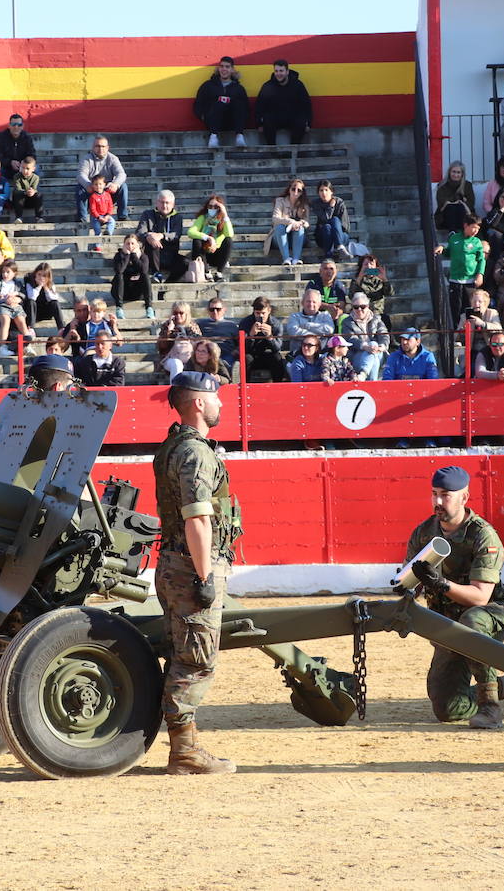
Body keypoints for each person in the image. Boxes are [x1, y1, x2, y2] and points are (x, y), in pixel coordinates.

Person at [153, 371, 239, 775]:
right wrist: (205, 577)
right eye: (216, 397)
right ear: (198, 403)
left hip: (173, 562)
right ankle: (184, 753)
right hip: (191, 566)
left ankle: (183, 748)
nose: (222, 403)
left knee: (183, 654)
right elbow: (199, 519)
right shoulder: (195, 452)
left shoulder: (172, 447)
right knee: (196, 660)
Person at [406, 466, 504, 729]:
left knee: (472, 621)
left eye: (446, 495)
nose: (438, 502)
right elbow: (409, 583)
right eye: (434, 494)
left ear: (464, 497)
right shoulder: (423, 533)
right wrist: (408, 586)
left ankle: (490, 708)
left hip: (491, 614)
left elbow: (479, 597)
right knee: (448, 709)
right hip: (448, 626)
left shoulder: (482, 535)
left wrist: (440, 584)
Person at [194, 57, 249, 148]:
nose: (224, 69)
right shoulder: (208, 85)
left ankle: (239, 136)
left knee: (237, 103)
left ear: (232, 70)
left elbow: (246, 107)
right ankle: (213, 137)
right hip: (212, 122)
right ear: (218, 68)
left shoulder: (238, 88)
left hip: (233, 123)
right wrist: (203, 116)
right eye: (222, 66)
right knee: (219, 103)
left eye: (227, 67)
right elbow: (198, 103)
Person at [255, 59, 311, 145]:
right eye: (276, 71)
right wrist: (259, 124)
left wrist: (308, 123)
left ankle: (294, 152)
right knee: (267, 120)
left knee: (300, 121)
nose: (278, 74)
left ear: (287, 72)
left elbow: (306, 104)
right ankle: (272, 152)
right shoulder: (267, 86)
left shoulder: (298, 85)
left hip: (292, 117)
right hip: (275, 118)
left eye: (281, 71)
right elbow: (259, 105)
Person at [137, 189, 186, 281]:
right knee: (154, 241)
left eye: (167, 203)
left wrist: (162, 235)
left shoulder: (177, 217)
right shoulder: (147, 214)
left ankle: (168, 284)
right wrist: (148, 236)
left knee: (185, 263)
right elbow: (139, 232)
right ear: (157, 202)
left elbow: (176, 234)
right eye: (162, 202)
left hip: (170, 253)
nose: (164, 206)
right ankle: (156, 272)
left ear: (173, 204)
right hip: (152, 254)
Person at [76, 137, 128, 222]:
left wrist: (115, 184)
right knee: (80, 188)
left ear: (107, 148)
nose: (100, 149)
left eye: (103, 146)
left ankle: (123, 216)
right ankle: (82, 218)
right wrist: (88, 185)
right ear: (93, 147)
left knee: (123, 186)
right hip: (92, 191)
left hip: (107, 192)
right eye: (97, 146)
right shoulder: (86, 159)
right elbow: (80, 175)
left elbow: (121, 174)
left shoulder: (113, 158)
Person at [237, 295, 288, 382]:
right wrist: (251, 335)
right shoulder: (245, 323)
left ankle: (278, 387)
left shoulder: (276, 324)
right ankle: (246, 389)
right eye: (257, 313)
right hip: (252, 355)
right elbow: (243, 348)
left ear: (269, 311)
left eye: (263, 313)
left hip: (268, 355)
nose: (260, 316)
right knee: (246, 358)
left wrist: (270, 337)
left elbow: (277, 348)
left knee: (277, 358)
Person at [187, 195, 234, 280]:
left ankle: (219, 272)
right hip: (204, 253)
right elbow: (190, 232)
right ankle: (206, 272)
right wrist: (208, 237)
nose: (212, 208)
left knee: (228, 241)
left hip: (218, 253)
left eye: (215, 206)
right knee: (196, 241)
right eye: (210, 206)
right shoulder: (203, 218)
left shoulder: (223, 220)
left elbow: (229, 234)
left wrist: (225, 214)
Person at [269, 177, 310, 266]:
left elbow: (307, 223)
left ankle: (296, 259)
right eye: (293, 189)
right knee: (279, 226)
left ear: (302, 192)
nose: (295, 192)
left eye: (299, 190)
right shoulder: (280, 201)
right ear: (289, 189)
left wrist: (300, 223)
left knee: (300, 229)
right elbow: (275, 219)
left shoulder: (304, 204)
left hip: (297, 239)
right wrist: (290, 222)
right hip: (280, 238)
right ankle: (286, 258)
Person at [110, 234, 152, 319]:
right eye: (127, 243)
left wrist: (134, 256)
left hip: (137, 291)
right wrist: (126, 256)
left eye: (133, 243)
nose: (130, 246)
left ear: (137, 245)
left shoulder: (143, 256)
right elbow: (119, 270)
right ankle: (119, 309)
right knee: (119, 276)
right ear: (124, 245)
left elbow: (143, 271)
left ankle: (149, 308)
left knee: (146, 276)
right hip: (122, 291)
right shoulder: (118, 256)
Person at [433, 161, 475, 234]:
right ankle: (452, 232)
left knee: (460, 207)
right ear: (449, 172)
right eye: (453, 172)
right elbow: (441, 203)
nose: (455, 175)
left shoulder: (467, 185)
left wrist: (458, 202)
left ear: (462, 174)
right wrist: (460, 200)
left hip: (464, 215)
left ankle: (462, 233)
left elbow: (471, 203)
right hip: (445, 217)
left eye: (458, 172)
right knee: (451, 207)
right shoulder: (442, 185)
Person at [314, 179, 351, 259]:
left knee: (335, 219)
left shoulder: (339, 202)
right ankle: (330, 255)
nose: (324, 193)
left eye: (326, 190)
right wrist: (331, 207)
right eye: (321, 190)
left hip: (342, 236)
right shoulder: (316, 204)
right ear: (318, 193)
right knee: (327, 227)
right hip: (323, 236)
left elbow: (345, 226)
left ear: (331, 191)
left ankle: (339, 247)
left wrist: (336, 233)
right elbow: (325, 219)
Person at [0, 114, 36, 181]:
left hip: (23, 168)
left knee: (36, 170)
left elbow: (32, 155)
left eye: (19, 125)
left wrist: (23, 163)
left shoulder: (27, 137)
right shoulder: (1, 137)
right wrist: (10, 162)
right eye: (13, 124)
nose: (16, 127)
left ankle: (32, 190)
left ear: (22, 126)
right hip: (6, 168)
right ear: (9, 125)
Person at [10, 155, 42, 223]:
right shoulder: (17, 176)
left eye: (27, 168)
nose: (25, 171)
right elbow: (17, 189)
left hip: (30, 200)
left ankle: (39, 217)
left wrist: (32, 192)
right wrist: (25, 192)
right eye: (23, 168)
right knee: (16, 193)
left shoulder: (36, 177)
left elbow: (34, 188)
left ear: (33, 169)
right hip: (20, 201)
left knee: (39, 195)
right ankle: (19, 217)